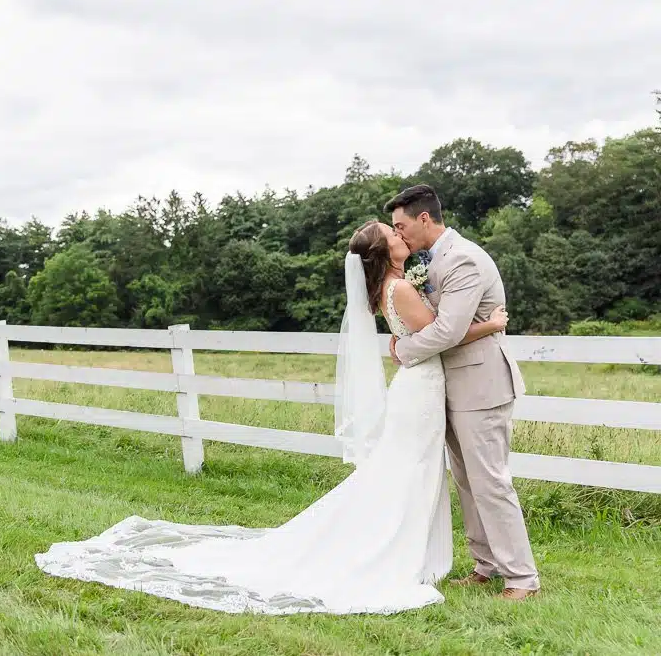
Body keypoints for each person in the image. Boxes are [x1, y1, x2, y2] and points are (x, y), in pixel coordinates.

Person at [33, 217, 508, 615]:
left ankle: (421, 552)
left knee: (410, 473)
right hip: (418, 391)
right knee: (408, 474)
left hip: (420, 390)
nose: (402, 236)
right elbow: (441, 335)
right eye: (393, 234)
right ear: (385, 251)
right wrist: (490, 324)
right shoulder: (401, 287)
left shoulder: (394, 285)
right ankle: (394, 554)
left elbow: (419, 338)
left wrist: (407, 342)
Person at [386, 184, 539, 600]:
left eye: (401, 227)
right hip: (449, 389)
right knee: (467, 481)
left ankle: (522, 577)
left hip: (481, 385)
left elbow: (449, 329)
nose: (398, 236)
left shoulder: (464, 259)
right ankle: (485, 565)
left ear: (424, 218)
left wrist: (405, 349)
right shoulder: (428, 261)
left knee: (490, 481)